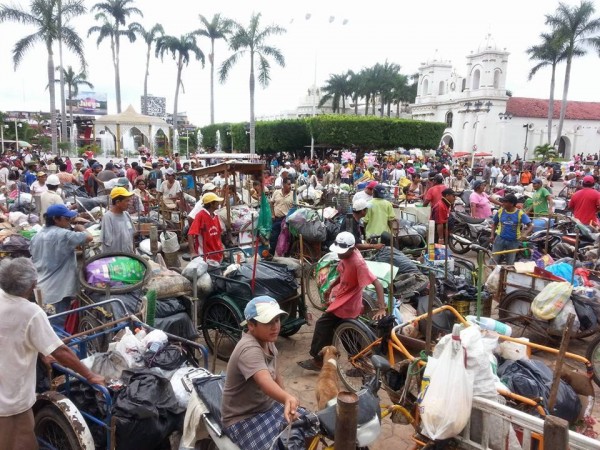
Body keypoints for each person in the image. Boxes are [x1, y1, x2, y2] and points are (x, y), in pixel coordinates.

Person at [0, 258, 104, 450]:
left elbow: (15, 335)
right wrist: (90, 375)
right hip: (9, 401)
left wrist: (40, 350)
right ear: (32, 285)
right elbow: (60, 351)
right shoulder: (30, 312)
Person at [221, 296, 307, 449]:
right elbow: (265, 382)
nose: (275, 326)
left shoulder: (268, 341)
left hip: (267, 406)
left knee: (309, 424)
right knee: (279, 445)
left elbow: (275, 375)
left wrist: (285, 401)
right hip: (243, 418)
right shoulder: (249, 349)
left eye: (277, 320)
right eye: (268, 322)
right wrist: (287, 397)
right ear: (251, 325)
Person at [298, 232, 385, 372]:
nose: (339, 254)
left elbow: (377, 283)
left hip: (348, 303)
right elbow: (342, 273)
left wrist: (381, 308)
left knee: (323, 325)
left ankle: (318, 360)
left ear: (351, 249)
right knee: (346, 334)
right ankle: (360, 365)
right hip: (342, 299)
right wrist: (331, 286)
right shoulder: (345, 256)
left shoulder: (358, 263)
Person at [30, 204, 93, 329]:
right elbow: (89, 237)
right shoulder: (63, 235)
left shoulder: (37, 236)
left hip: (41, 287)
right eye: (66, 219)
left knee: (45, 326)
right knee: (57, 327)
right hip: (58, 290)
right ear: (56, 219)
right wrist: (80, 228)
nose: (69, 221)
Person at [491, 194, 533, 265]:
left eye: (505, 202)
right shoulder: (500, 211)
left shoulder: (520, 213)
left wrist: (525, 234)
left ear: (512, 204)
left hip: (513, 241)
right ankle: (491, 275)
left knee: (510, 262)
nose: (503, 203)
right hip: (500, 239)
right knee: (493, 260)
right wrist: (492, 235)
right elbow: (494, 224)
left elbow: (530, 226)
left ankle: (506, 275)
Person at [188, 192, 225, 262]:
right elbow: (190, 234)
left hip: (217, 254)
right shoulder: (200, 215)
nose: (218, 203)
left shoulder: (215, 215)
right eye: (217, 202)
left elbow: (218, 234)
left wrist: (221, 248)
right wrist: (192, 252)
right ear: (211, 204)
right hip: (205, 256)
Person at [101, 187, 135, 253]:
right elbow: (107, 243)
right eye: (127, 201)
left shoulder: (126, 214)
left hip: (128, 256)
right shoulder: (108, 217)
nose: (129, 203)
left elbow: (132, 235)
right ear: (118, 202)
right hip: (114, 258)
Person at [269, 179, 294, 254]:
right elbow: (271, 203)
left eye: (290, 184)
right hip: (277, 219)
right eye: (288, 184)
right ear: (283, 185)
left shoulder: (293, 194)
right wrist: (272, 214)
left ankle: (285, 254)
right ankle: (272, 254)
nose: (290, 186)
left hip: (287, 220)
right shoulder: (277, 192)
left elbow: (296, 206)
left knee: (286, 239)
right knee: (274, 237)